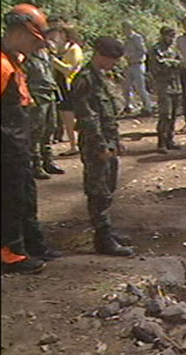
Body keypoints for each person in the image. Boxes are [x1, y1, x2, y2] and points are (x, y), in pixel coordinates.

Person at [2, 3, 63, 274]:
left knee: (25, 194)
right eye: (36, 40)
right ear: (20, 32)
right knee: (9, 199)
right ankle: (10, 253)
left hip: (18, 145)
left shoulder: (15, 61)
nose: (38, 47)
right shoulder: (2, 65)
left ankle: (32, 243)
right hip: (5, 146)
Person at [71, 37, 134, 257]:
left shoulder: (103, 77)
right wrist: (100, 145)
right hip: (95, 143)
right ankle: (103, 238)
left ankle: (107, 231)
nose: (114, 64)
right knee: (98, 190)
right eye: (112, 60)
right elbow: (88, 117)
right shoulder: (85, 79)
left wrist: (116, 141)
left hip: (107, 141)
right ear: (101, 55)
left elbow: (108, 114)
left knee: (108, 188)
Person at [24, 27, 66, 180]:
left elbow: (50, 76)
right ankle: (36, 164)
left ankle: (48, 161)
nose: (50, 41)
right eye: (49, 38)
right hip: (37, 96)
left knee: (50, 128)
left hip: (50, 94)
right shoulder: (28, 55)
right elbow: (23, 78)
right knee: (36, 131)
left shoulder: (47, 54)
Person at [148, 27, 182, 154]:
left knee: (173, 115)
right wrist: (173, 63)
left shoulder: (174, 49)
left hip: (175, 85)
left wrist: (171, 63)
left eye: (173, 36)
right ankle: (161, 142)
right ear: (163, 35)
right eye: (169, 36)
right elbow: (159, 65)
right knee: (165, 115)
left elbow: (182, 63)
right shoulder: (156, 49)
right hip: (163, 86)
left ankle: (170, 140)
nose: (171, 39)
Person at [52, 24, 83, 156]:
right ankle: (73, 143)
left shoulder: (74, 49)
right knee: (65, 117)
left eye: (61, 33)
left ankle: (75, 144)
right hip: (60, 85)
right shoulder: (62, 49)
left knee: (70, 116)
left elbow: (69, 69)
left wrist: (53, 60)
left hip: (70, 86)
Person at [121, 21, 152, 117]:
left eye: (125, 28)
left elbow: (143, 51)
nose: (123, 30)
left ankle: (148, 107)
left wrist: (130, 55)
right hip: (129, 65)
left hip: (138, 64)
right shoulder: (126, 40)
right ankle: (128, 106)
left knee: (140, 87)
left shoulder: (136, 38)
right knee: (126, 87)